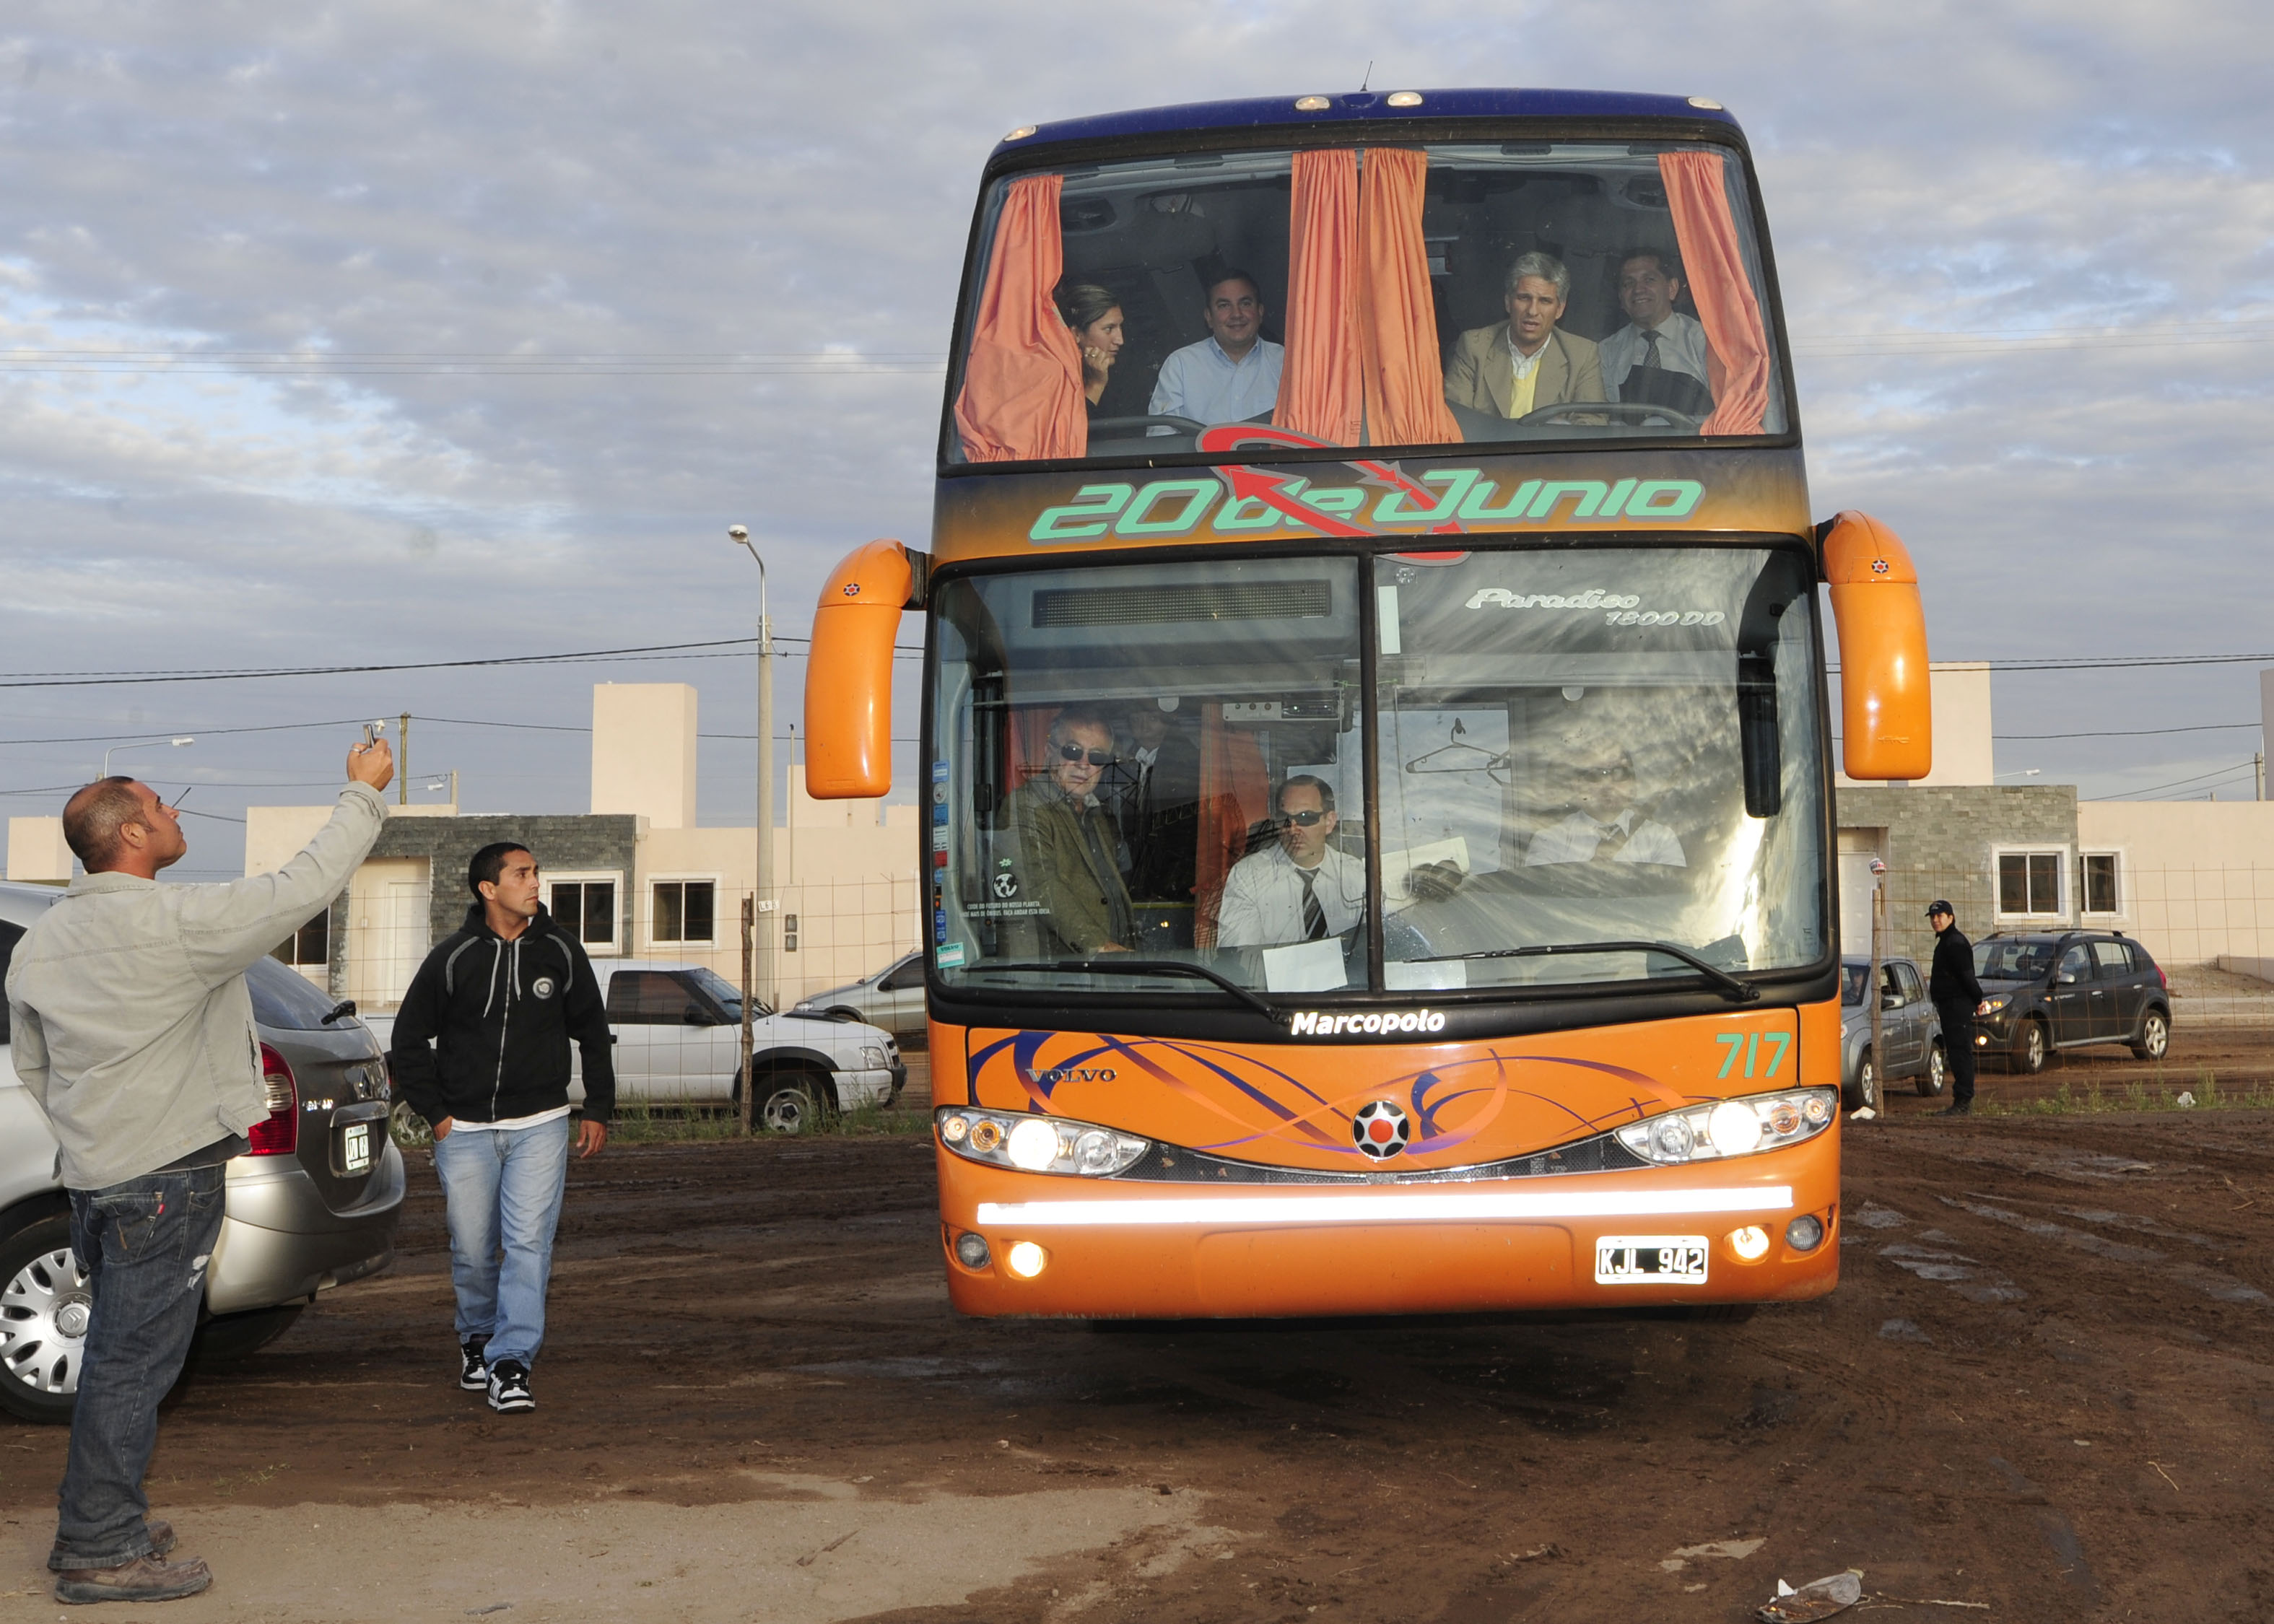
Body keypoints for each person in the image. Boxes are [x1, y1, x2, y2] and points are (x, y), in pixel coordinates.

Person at [6, 736, 393, 1604]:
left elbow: (36, 1070)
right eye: (162, 806)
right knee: (132, 1363)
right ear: (132, 836)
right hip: (166, 1178)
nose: (177, 812)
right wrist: (362, 795)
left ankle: (108, 1518)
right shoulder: (174, 924)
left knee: (118, 1353)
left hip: (100, 1178)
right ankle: (98, 1547)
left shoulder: (44, 939)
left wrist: (93, 1134)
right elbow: (304, 886)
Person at [387, 842, 615, 1414]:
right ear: (489, 889)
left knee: (528, 1244)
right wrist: (437, 1116)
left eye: (536, 872)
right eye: (522, 874)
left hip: (541, 1125)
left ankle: (511, 1362)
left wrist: (598, 1108)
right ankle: (477, 1339)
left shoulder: (562, 952)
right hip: (462, 1131)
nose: (535, 882)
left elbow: (593, 1031)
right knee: (470, 1249)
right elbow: (408, 1041)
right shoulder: (453, 956)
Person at [1006, 707, 1137, 956]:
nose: (1084, 764)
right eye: (1073, 751)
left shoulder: (1098, 814)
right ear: (1049, 752)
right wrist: (1099, 946)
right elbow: (1040, 885)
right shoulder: (1026, 806)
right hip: (1057, 974)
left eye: (1096, 757)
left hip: (1109, 969)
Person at [1443, 253, 1606, 421]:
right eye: (1524, 298)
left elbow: (1592, 424)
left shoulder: (1582, 355)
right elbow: (1455, 421)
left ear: (1560, 309)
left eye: (1545, 301)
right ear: (1508, 302)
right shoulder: (1474, 347)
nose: (1532, 311)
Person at [1216, 777, 1364, 948]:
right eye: (1285, 820)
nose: (1294, 830)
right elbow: (1240, 958)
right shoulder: (1248, 876)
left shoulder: (1357, 875)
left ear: (1329, 822)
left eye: (1306, 817)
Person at [1149, 269, 1284, 425]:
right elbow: (1162, 438)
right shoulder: (1181, 365)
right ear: (1209, 317)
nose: (1236, 314)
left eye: (1245, 303)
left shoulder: (1285, 363)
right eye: (1224, 306)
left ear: (1260, 312)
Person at [1597, 249, 1714, 419]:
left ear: (1672, 288)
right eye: (1628, 283)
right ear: (1621, 298)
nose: (1638, 290)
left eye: (1649, 280)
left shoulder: (1705, 340)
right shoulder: (1606, 352)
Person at [1524, 744, 1686, 868]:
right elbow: (1539, 906)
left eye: (1620, 773)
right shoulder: (1549, 841)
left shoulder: (1661, 839)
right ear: (1577, 784)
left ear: (1633, 784)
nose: (1608, 784)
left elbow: (1676, 906)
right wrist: (1594, 866)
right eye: (1595, 774)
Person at [1118, 700, 1201, 906]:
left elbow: (1186, 830)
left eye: (1152, 718)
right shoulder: (1124, 762)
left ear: (1171, 719)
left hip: (1173, 870)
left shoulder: (1187, 762)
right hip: (1133, 864)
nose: (1143, 725)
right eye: (1136, 719)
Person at [1926, 899, 1989, 1118]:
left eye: (1940, 916)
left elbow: (1967, 976)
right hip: (1949, 1006)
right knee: (1955, 1052)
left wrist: (1978, 999)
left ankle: (1963, 1102)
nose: (1936, 920)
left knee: (1960, 1052)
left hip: (1957, 1005)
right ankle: (1960, 1100)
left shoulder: (1955, 943)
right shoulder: (1946, 942)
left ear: (1951, 918)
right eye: (1933, 917)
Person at [1055, 282, 1125, 415]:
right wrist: (1096, 385)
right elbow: (1074, 433)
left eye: (1120, 327)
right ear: (1076, 334)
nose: (1120, 340)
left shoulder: (1120, 373)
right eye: (1109, 329)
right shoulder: (1055, 377)